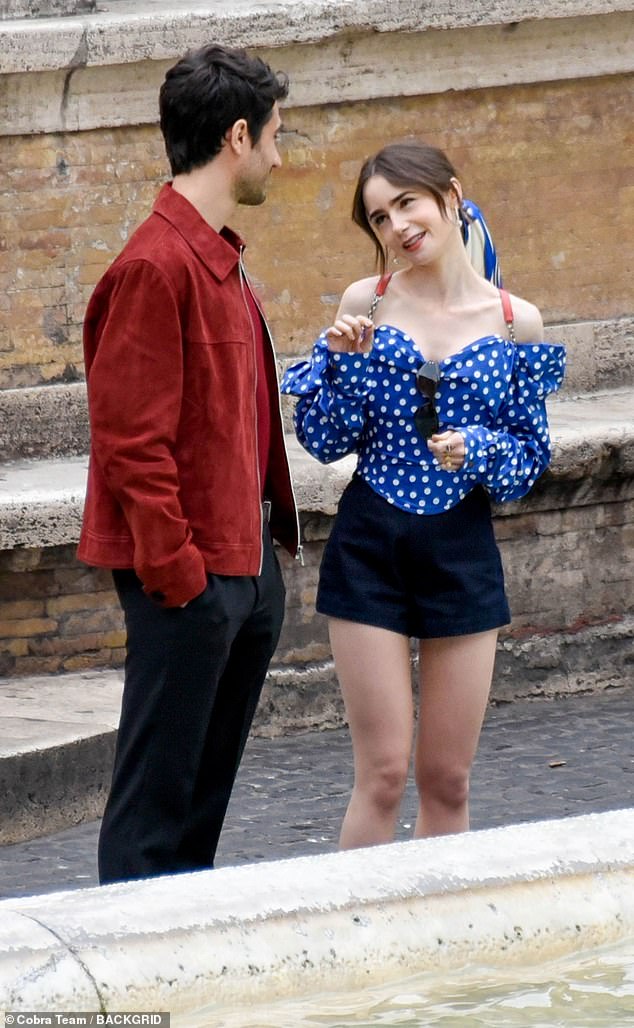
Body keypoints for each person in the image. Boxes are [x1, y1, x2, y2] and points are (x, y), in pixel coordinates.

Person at [281, 141, 565, 849]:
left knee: (447, 780)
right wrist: (343, 367)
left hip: (460, 549)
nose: (398, 226)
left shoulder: (513, 321)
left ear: (450, 196)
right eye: (379, 217)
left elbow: (528, 464)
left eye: (406, 202)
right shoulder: (366, 303)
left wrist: (483, 449)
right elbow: (322, 440)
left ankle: (441, 950)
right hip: (370, 541)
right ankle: (356, 940)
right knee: (380, 773)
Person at [78, 44, 300, 883]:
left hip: (236, 572)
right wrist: (188, 582)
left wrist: (256, 580)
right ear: (237, 136)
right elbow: (132, 446)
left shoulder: (217, 260)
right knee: (152, 822)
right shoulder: (153, 267)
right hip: (192, 582)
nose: (280, 156)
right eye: (275, 135)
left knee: (196, 817)